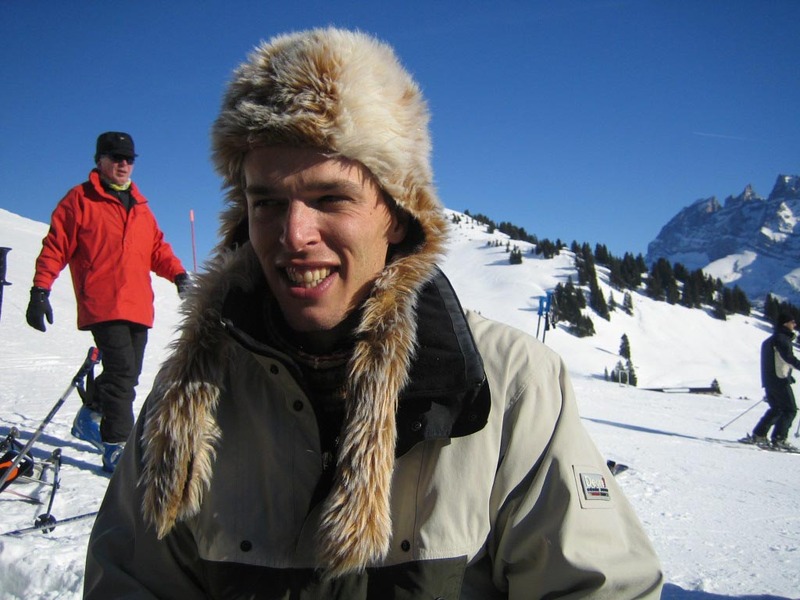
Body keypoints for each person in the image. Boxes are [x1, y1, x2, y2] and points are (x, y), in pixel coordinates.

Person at [85, 29, 663, 598]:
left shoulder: (509, 386)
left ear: (399, 216)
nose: (294, 234)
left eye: (331, 198)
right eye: (268, 203)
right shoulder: (191, 393)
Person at [26, 131, 188, 473]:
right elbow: (56, 246)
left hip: (138, 304)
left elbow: (157, 248)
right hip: (102, 302)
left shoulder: (141, 207)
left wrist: (178, 275)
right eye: (116, 158)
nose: (123, 164)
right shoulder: (79, 200)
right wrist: (40, 290)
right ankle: (116, 445)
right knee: (122, 373)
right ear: (99, 160)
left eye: (129, 159)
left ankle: (91, 415)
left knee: (128, 373)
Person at [748, 312, 800, 450]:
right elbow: (788, 358)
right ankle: (779, 439)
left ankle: (759, 434)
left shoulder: (769, 340)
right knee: (790, 410)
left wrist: (788, 375)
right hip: (779, 380)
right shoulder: (782, 339)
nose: (794, 324)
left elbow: (775, 361)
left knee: (776, 408)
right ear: (785, 323)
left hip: (769, 380)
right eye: (792, 322)